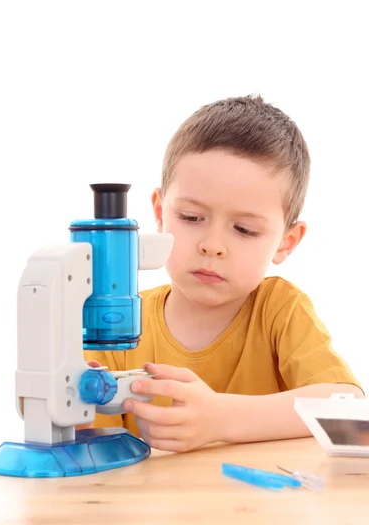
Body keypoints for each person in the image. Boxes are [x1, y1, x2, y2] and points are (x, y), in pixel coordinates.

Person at [83, 94, 364, 452]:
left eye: (244, 229)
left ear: (286, 242)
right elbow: (93, 459)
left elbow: (349, 408)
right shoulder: (115, 324)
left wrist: (221, 418)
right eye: (191, 218)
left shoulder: (279, 310)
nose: (212, 245)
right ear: (159, 212)